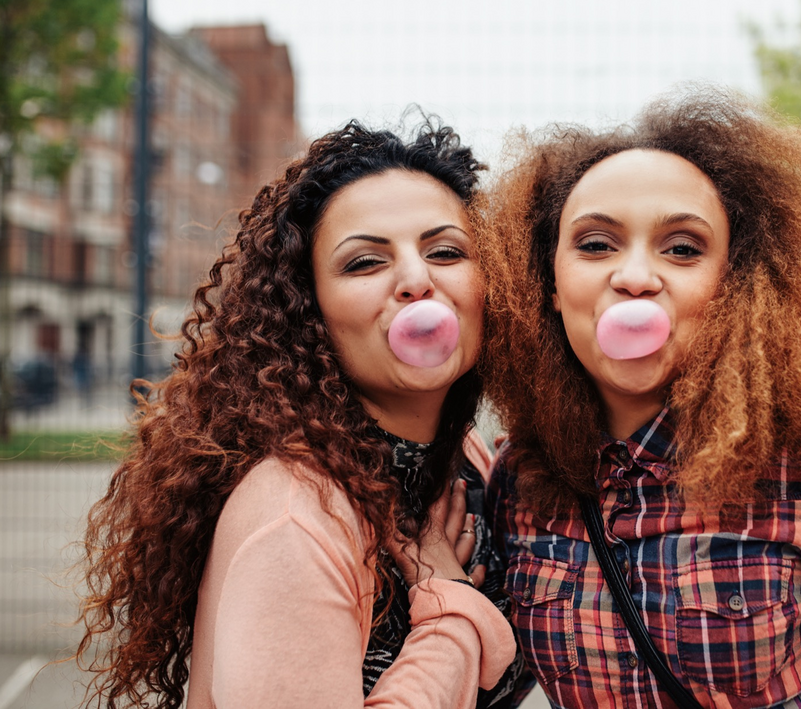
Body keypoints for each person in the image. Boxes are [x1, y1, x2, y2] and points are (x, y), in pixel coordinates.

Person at [482, 91, 801, 708]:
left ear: (734, 284)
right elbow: (493, 684)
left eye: (682, 248)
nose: (635, 276)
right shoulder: (520, 475)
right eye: (596, 244)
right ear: (546, 283)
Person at [76, 119, 520, 709]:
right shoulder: (296, 519)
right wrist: (451, 609)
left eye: (445, 251)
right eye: (364, 263)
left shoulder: (461, 454)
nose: (417, 280)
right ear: (308, 309)